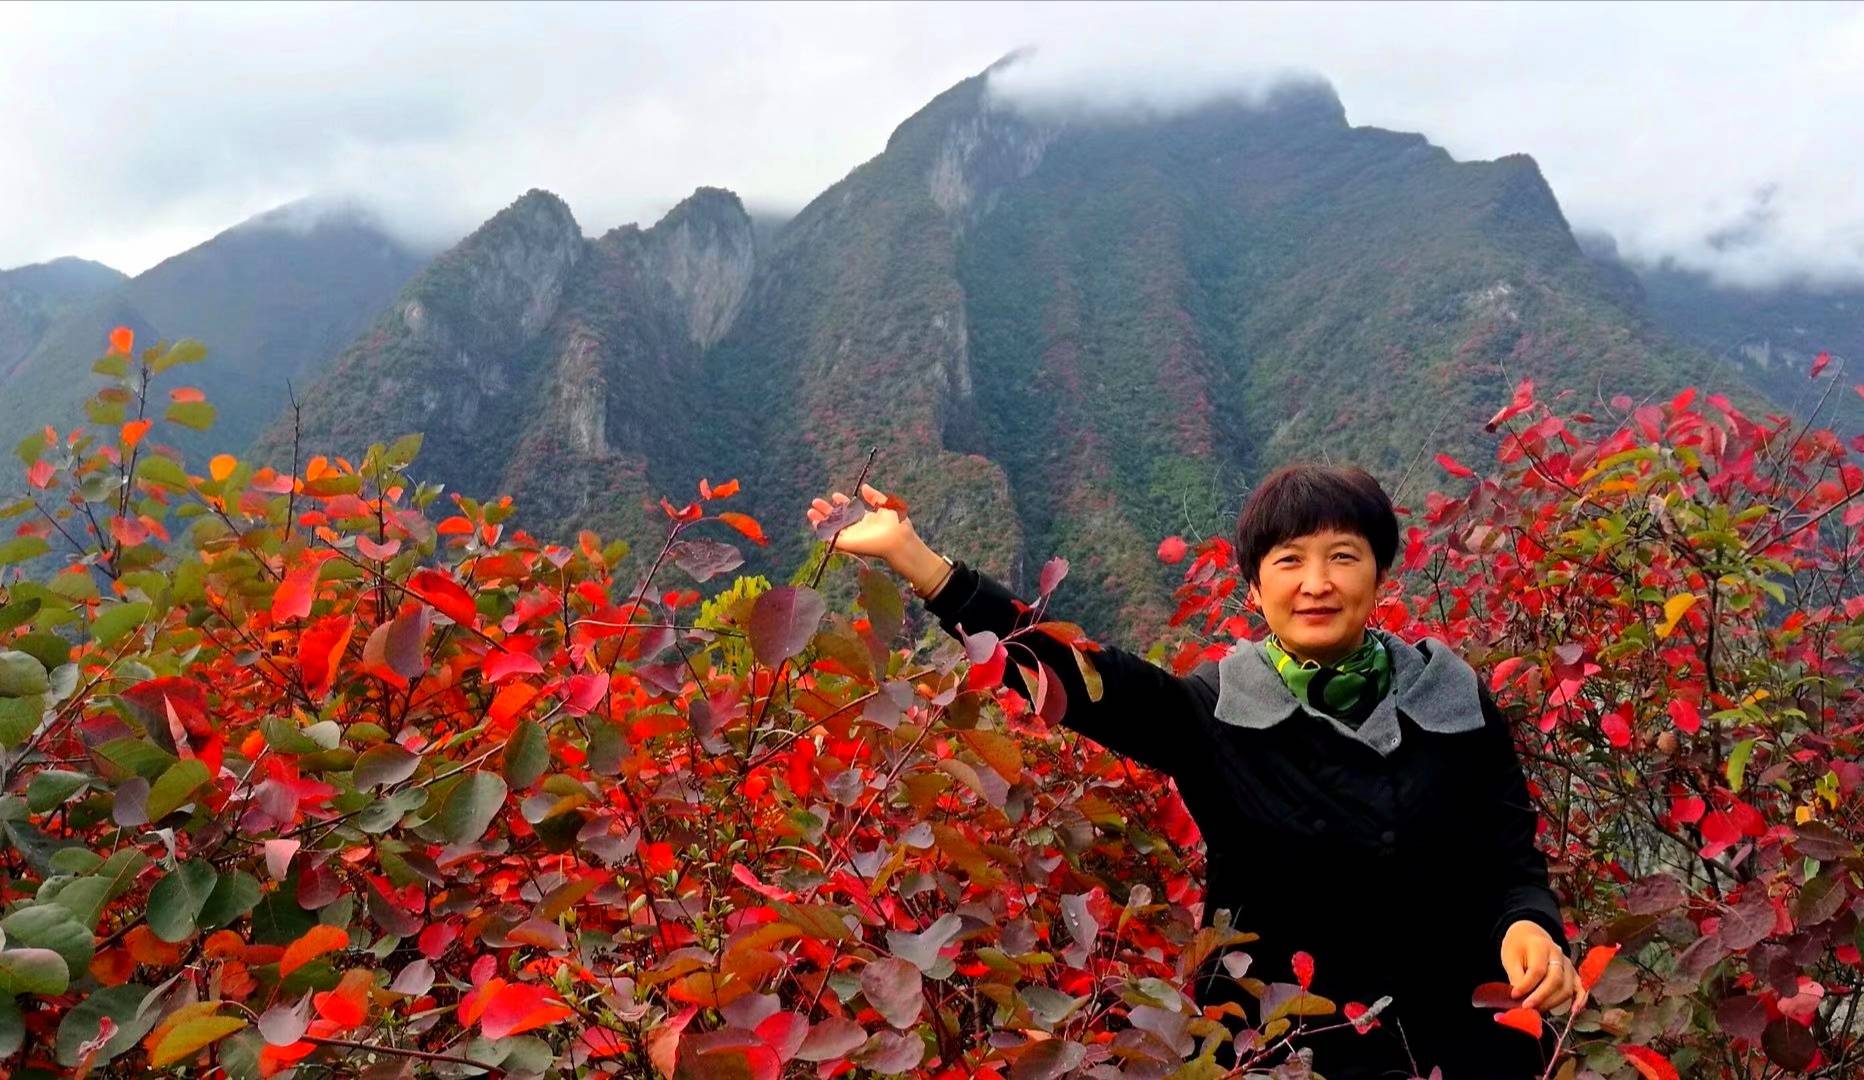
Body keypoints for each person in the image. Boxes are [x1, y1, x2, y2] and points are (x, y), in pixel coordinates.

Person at [806, 464, 1583, 1079]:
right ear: (1255, 587)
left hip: (1474, 1043)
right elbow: (1074, 674)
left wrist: (1529, 927)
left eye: (1343, 557)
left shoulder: (1450, 694)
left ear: (1380, 577)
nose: (1317, 582)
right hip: (1284, 1053)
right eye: (1290, 561)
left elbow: (1509, 860)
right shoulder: (1214, 711)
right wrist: (917, 561)